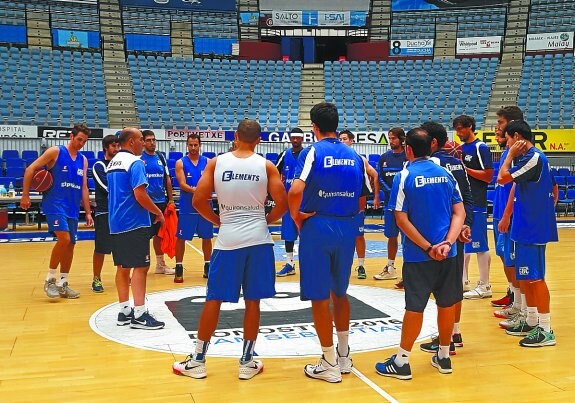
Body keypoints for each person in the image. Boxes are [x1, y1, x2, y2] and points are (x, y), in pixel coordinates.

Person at [172, 120, 287, 380]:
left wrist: (217, 220)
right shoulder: (266, 166)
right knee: (253, 301)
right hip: (259, 240)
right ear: (259, 140)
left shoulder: (216, 162)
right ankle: (247, 362)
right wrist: (264, 220)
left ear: (235, 136)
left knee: (214, 298)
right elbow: (283, 203)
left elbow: (199, 200)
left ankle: (198, 360)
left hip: (228, 240)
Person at [288, 102, 370, 383]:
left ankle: (328, 362)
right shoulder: (355, 156)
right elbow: (364, 198)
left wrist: (297, 217)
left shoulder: (313, 152)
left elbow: (295, 189)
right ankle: (344, 356)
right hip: (347, 227)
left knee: (319, 297)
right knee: (340, 292)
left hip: (318, 226)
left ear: (314, 127)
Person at [375, 128, 465, 380]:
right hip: (449, 253)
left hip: (419, 256)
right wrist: (447, 243)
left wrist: (427, 247)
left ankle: (402, 362)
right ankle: (444, 357)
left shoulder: (405, 177)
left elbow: (401, 219)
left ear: (409, 149)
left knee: (415, 306)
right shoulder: (446, 173)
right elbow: (460, 213)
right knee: (447, 304)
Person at [497, 120, 558, 347]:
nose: (506, 143)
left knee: (535, 278)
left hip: (533, 227)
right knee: (526, 276)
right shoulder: (529, 158)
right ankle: (532, 320)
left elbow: (502, 178)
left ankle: (546, 329)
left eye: (508, 138)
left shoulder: (534, 158)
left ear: (516, 137)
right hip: (523, 224)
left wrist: (510, 155)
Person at [418, 121, 473, 356]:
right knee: (453, 287)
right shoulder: (457, 163)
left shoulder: (431, 165)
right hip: (456, 231)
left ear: (431, 142)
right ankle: (454, 333)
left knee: (438, 290)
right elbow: (467, 197)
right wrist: (465, 224)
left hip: (437, 235)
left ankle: (445, 339)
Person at [20, 124, 94, 299]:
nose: (81, 143)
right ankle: (50, 279)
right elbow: (31, 169)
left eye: (84, 141)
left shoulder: (83, 160)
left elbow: (83, 187)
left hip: (72, 206)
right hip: (55, 203)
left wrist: (89, 212)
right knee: (64, 239)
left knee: (71, 245)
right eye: (79, 139)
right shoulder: (55, 152)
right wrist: (25, 195)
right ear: (71, 136)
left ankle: (63, 283)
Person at [107, 127, 166, 329]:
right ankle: (140, 314)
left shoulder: (113, 162)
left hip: (115, 222)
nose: (143, 142)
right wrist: (158, 212)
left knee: (123, 267)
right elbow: (140, 194)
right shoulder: (135, 163)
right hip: (133, 221)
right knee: (141, 266)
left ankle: (124, 311)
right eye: (141, 139)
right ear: (132, 141)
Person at [453, 115, 494, 298]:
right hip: (465, 204)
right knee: (464, 244)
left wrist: (465, 169)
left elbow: (488, 176)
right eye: (456, 129)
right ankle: (462, 281)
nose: (458, 133)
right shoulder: (461, 148)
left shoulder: (480, 147)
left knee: (480, 245)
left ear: (470, 127)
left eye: (461, 129)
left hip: (477, 203)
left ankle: (485, 285)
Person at [491, 106, 524, 311]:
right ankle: (513, 294)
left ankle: (520, 303)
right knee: (504, 256)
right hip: (500, 211)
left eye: (501, 123)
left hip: (508, 215)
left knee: (513, 260)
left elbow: (514, 185)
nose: (497, 127)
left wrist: (507, 214)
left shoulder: (519, 153)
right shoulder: (507, 151)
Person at [338, 129, 380, 279]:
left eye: (345, 139)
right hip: (340, 206)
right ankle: (343, 267)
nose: (342, 141)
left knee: (358, 236)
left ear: (351, 141)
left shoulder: (360, 159)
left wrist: (376, 197)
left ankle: (361, 265)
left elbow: (375, 175)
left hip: (356, 207)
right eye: (340, 139)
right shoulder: (335, 159)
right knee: (341, 238)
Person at [173, 133, 213, 283]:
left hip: (204, 207)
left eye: (196, 145)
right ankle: (179, 267)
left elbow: (212, 182)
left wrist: (208, 192)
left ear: (200, 145)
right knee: (181, 238)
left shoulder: (208, 162)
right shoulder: (180, 163)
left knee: (207, 237)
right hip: (187, 207)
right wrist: (199, 191)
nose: (193, 147)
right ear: (186, 145)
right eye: (191, 145)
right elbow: (182, 184)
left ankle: (207, 266)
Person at [375, 127, 407, 281]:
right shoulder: (384, 157)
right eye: (389, 138)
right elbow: (380, 178)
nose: (391, 141)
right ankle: (390, 267)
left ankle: (409, 269)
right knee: (391, 236)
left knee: (409, 236)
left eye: (394, 138)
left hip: (407, 205)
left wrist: (400, 193)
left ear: (401, 139)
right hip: (390, 204)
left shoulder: (408, 156)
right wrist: (392, 191)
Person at [140, 129, 174, 275]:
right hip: (145, 203)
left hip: (161, 202)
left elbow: (167, 179)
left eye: (153, 140)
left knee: (159, 235)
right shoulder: (139, 158)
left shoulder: (161, 157)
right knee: (143, 235)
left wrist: (171, 199)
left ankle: (160, 265)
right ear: (143, 142)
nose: (152, 142)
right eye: (148, 140)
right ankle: (141, 264)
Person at [91, 134, 120, 292]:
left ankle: (121, 276)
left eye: (118, 146)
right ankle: (96, 278)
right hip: (104, 212)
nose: (116, 149)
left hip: (119, 212)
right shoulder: (99, 166)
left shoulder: (120, 165)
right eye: (113, 146)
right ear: (106, 148)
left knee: (121, 246)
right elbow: (107, 188)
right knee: (101, 248)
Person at [275, 127, 305, 276]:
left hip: (305, 202)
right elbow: (274, 173)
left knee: (306, 235)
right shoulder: (284, 155)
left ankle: (308, 265)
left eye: (298, 138)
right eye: (293, 137)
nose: (295, 140)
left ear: (302, 139)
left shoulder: (308, 154)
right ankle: (289, 264)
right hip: (288, 202)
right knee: (288, 234)